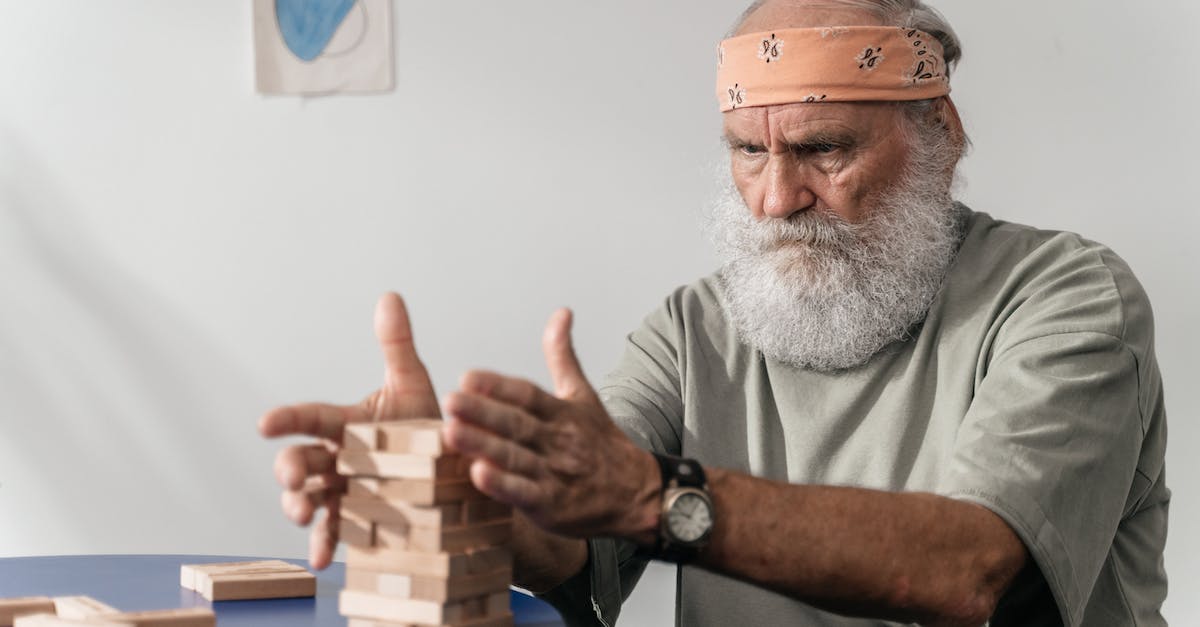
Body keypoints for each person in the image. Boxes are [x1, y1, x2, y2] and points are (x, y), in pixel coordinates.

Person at [259, 0, 1169, 625]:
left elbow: (969, 570)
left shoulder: (1066, 296)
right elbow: (578, 539)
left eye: (823, 149)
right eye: (746, 151)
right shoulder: (694, 328)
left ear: (941, 133)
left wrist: (657, 495)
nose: (775, 198)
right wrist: (447, 503)